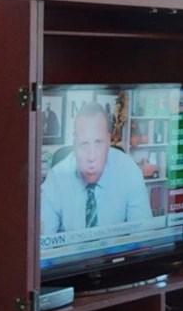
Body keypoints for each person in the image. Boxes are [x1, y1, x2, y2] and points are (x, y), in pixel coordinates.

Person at [39, 98, 159, 244]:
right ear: (74, 144)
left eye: (98, 143)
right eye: (84, 144)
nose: (91, 157)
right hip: (72, 264)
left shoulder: (128, 170)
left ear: (109, 142)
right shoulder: (56, 178)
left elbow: (144, 239)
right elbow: (42, 245)